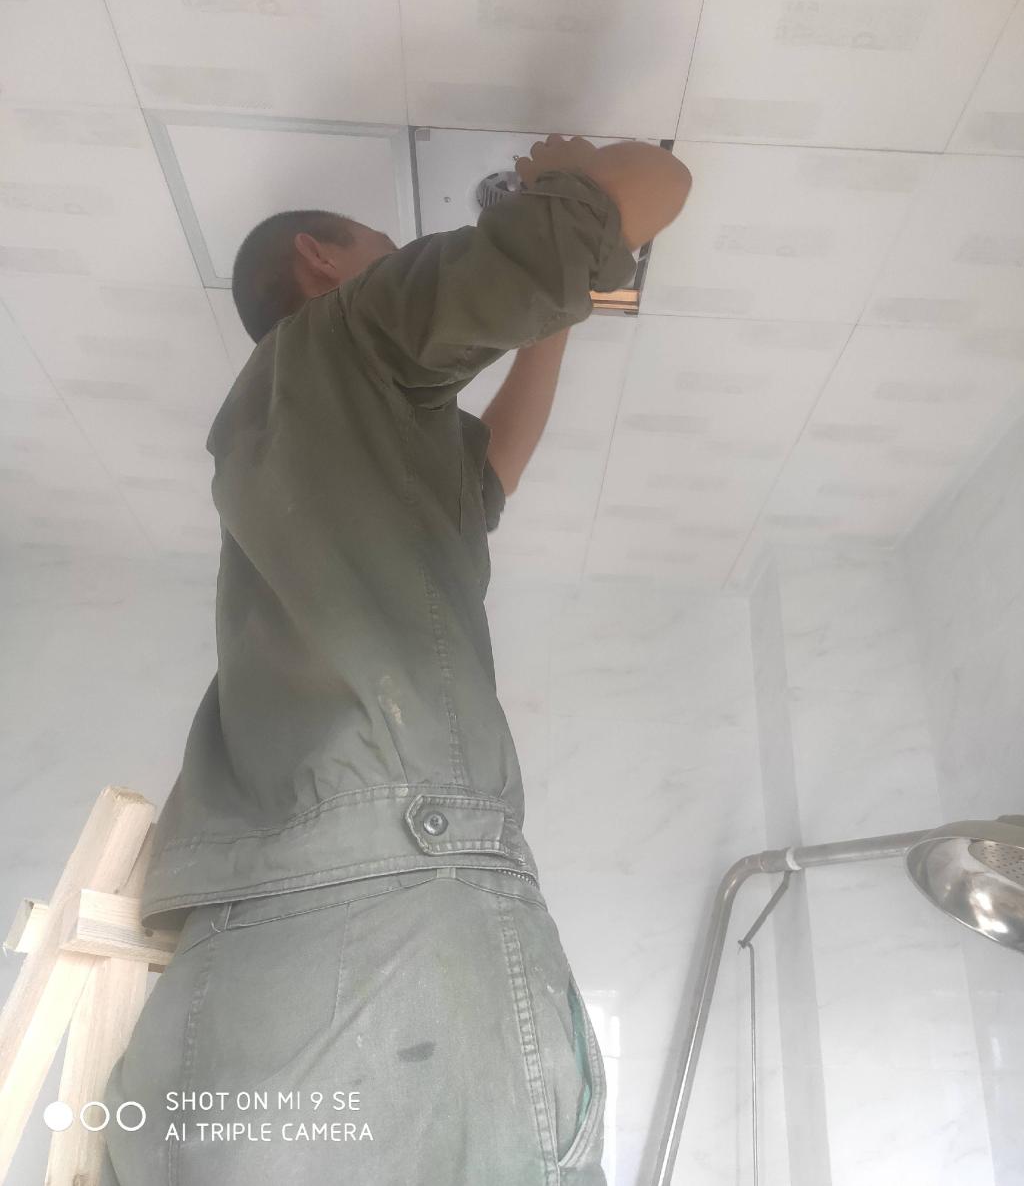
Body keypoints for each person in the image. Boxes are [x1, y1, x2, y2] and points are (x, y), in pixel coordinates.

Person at [100, 134, 691, 1185]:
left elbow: (490, 469)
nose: (403, 255)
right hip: (370, 931)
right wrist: (564, 182)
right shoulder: (351, 332)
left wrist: (557, 297)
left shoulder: (298, 434)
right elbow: (659, 179)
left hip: (269, 939)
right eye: (389, 241)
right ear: (322, 262)